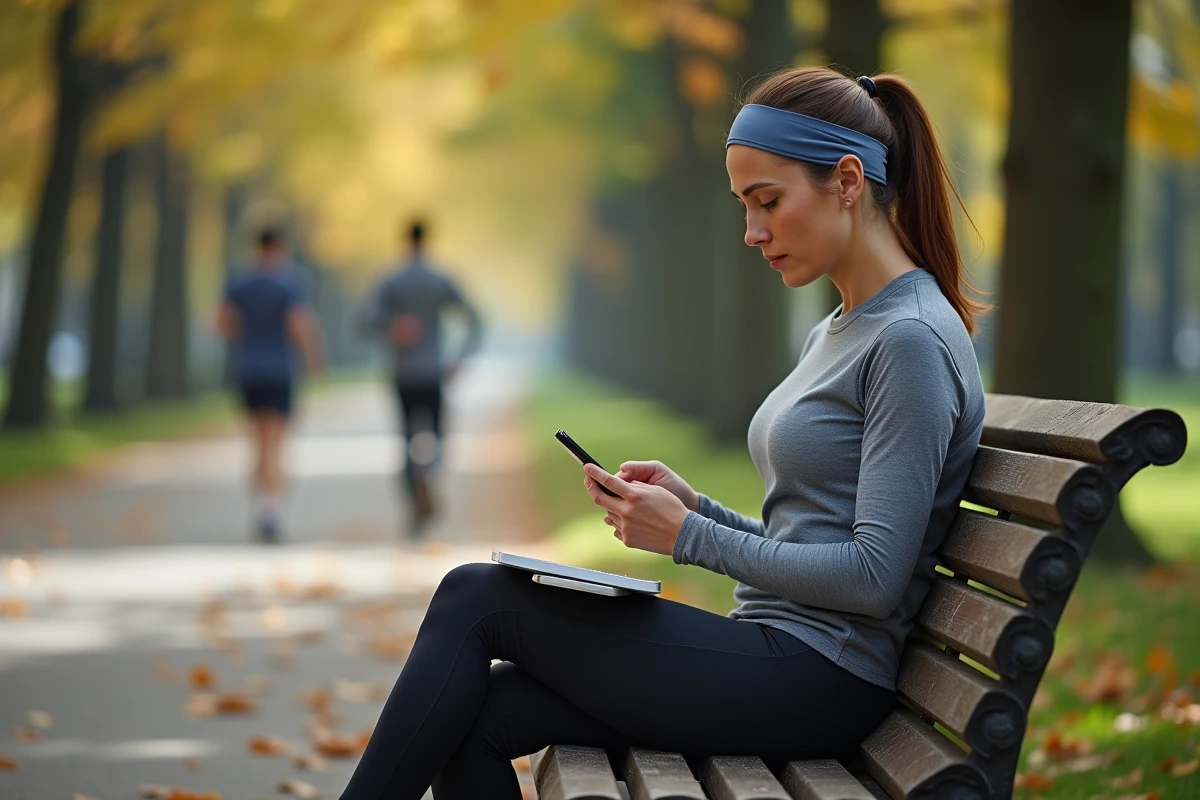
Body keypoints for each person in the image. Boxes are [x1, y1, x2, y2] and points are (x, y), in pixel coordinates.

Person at [338, 67, 988, 799]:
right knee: (478, 714)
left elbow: (873, 578)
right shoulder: (841, 328)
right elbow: (810, 536)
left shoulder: (907, 340)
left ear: (845, 181)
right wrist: (695, 508)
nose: (752, 232)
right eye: (745, 206)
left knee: (476, 597)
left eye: (768, 202)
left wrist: (690, 538)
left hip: (820, 676)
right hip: (778, 652)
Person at [362, 220, 483, 533]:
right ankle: (427, 469)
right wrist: (459, 359)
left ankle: (415, 498)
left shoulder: (391, 281)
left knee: (405, 440)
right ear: (427, 240)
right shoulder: (440, 280)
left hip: (403, 374)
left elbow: (365, 321)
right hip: (434, 373)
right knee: (438, 437)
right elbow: (475, 319)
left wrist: (393, 327)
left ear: (404, 240)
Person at [217, 227, 324, 543]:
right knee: (276, 443)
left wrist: (248, 335)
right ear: (281, 247)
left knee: (257, 443)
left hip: (248, 369)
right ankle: (271, 511)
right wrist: (313, 358)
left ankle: (261, 508)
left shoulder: (239, 281)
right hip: (279, 371)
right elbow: (299, 323)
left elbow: (221, 321)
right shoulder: (289, 281)